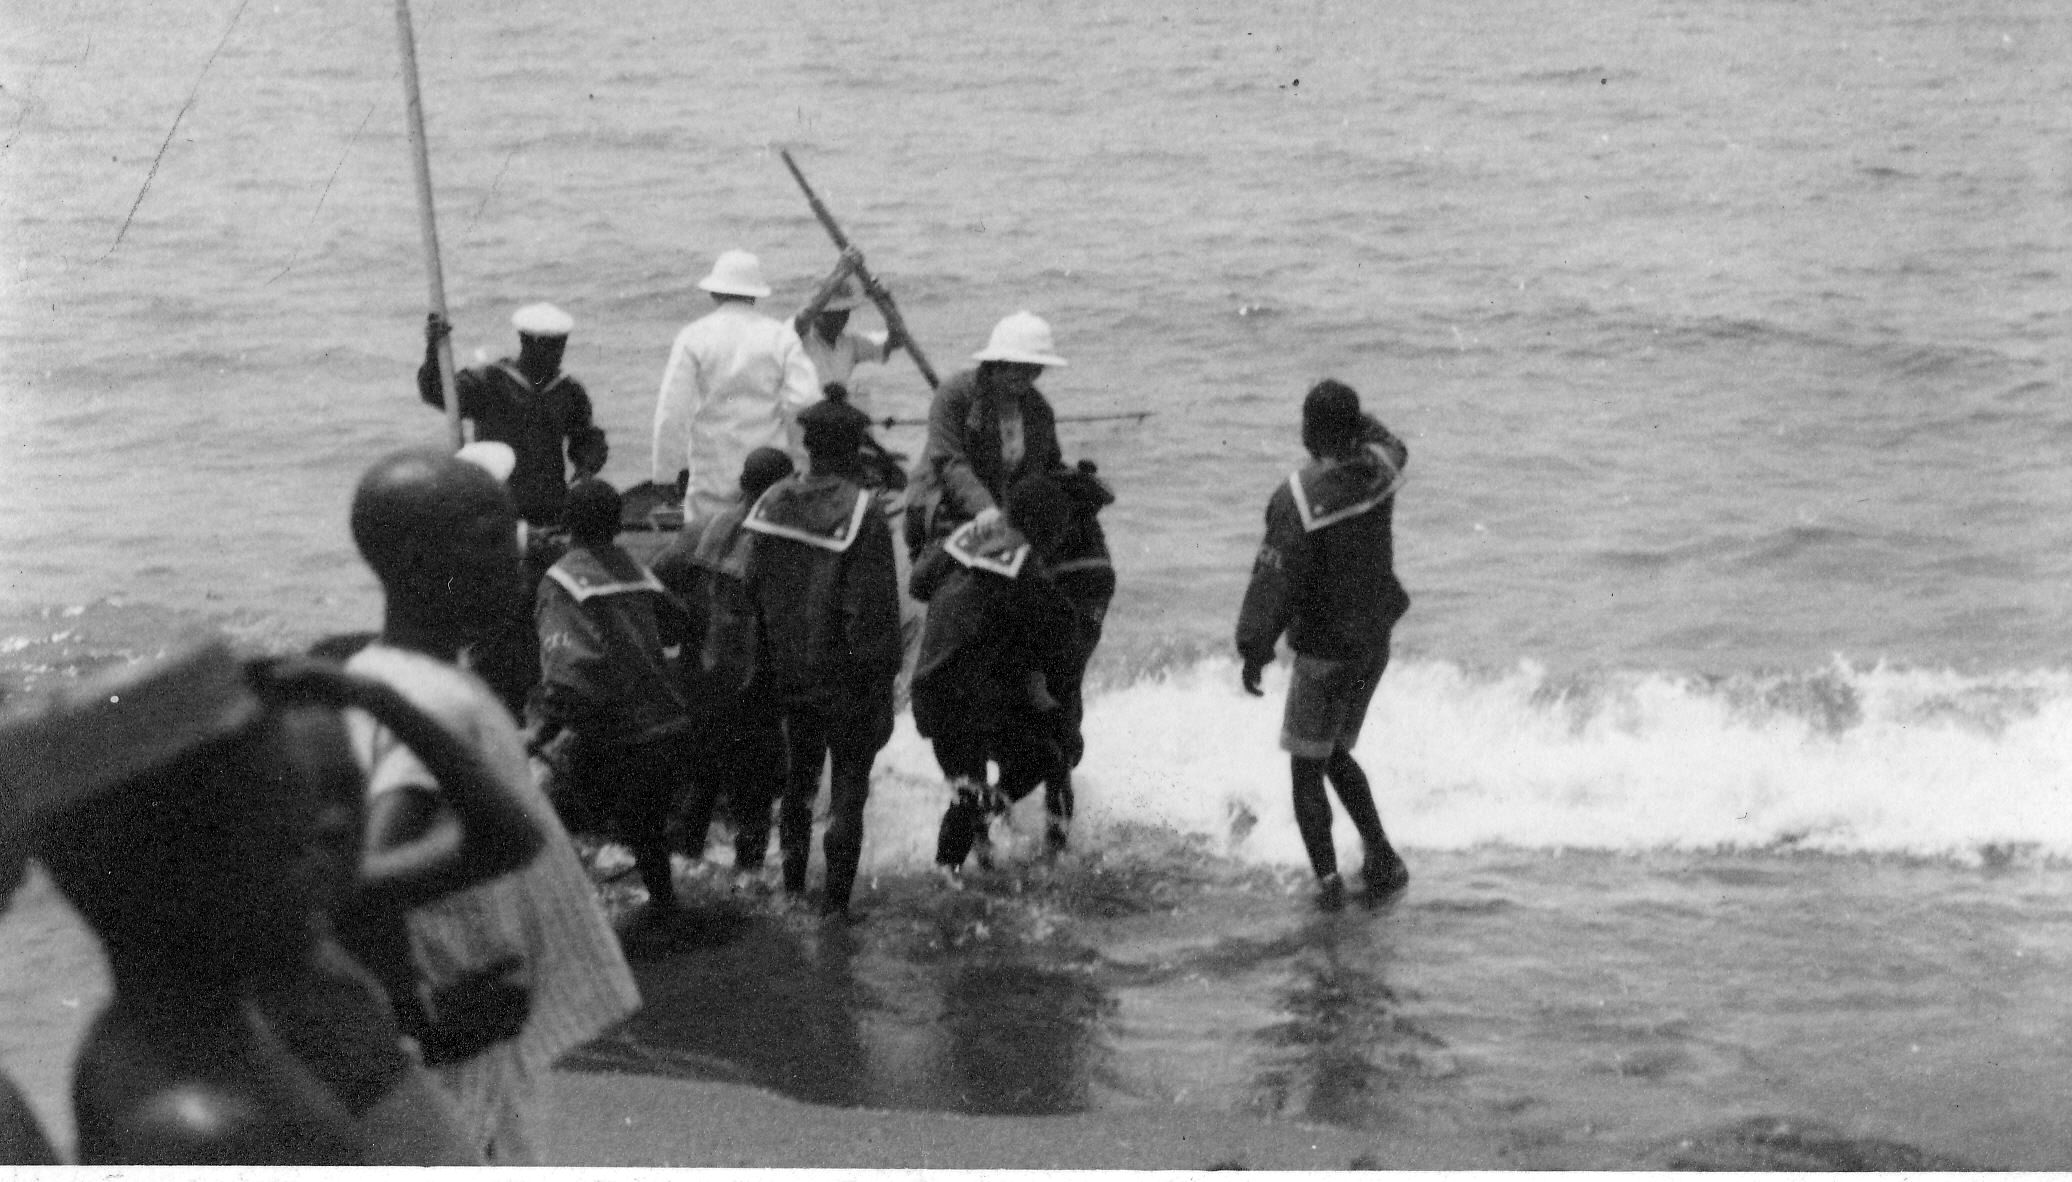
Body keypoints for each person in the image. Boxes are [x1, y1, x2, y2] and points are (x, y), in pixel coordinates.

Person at [13, 640, 519, 1165]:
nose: (321, 866)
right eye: (285, 846)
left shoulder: (131, 1051)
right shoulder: (222, 1130)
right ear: (183, 875)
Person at [343, 447, 640, 1162]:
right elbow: (372, 873)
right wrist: (424, 1018)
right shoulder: (436, 702)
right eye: (490, 542)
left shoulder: (386, 671)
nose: (514, 556)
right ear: (423, 564)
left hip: (463, 1004)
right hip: (466, 1017)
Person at [1234, 380, 1413, 911]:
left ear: (1308, 431)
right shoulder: (1380, 468)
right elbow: (1390, 440)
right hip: (1373, 640)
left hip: (1326, 649)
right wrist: (1354, 422)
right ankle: (1382, 856)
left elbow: (1273, 581)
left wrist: (1254, 649)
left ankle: (1328, 885)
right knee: (1334, 751)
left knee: (1306, 768)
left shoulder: (1296, 496)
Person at [742, 402, 904, 916]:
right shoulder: (863, 512)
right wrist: (880, 687)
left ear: (808, 447)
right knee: (849, 793)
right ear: (855, 450)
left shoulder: (771, 502)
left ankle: (791, 893)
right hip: (845, 679)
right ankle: (836, 909)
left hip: (788, 672)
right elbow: (871, 614)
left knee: (799, 784)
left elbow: (751, 590)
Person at [533, 478, 695, 921]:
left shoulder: (560, 581)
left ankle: (571, 915)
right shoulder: (637, 570)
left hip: (617, 730)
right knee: (646, 831)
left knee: (546, 808)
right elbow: (679, 624)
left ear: (566, 523)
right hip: (666, 723)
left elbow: (568, 672)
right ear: (619, 524)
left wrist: (542, 733)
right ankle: (664, 907)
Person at [910, 473, 1082, 878]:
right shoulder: (1029, 573)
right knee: (1047, 755)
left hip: (929, 690)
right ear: (1046, 531)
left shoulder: (967, 537)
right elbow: (1059, 637)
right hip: (968, 697)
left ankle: (959, 867)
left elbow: (918, 584)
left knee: (966, 789)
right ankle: (971, 841)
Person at [649, 447, 794, 881]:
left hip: (701, 685)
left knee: (698, 790)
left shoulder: (700, 531)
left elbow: (652, 585)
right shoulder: (781, 544)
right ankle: (747, 885)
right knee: (753, 807)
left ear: (742, 484)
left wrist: (678, 629)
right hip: (755, 690)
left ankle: (683, 879)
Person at [650, 249, 821, 525]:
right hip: (769, 478)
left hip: (711, 480)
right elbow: (806, 401)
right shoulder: (781, 336)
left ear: (714, 292)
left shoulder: (693, 336)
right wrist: (803, 464)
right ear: (755, 295)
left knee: (707, 543)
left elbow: (672, 410)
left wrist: (665, 473)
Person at [418, 303, 607, 529]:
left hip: (549, 506)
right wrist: (433, 348)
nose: (556, 354)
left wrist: (585, 471)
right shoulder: (488, 381)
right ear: (527, 343)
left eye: (560, 345)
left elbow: (586, 440)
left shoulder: (569, 391)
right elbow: (437, 393)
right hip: (497, 505)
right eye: (548, 346)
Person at [903, 311, 1066, 557]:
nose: (1027, 376)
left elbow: (1046, 467)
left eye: (1035, 369)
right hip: (943, 505)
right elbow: (949, 462)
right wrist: (984, 507)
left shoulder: (1039, 409)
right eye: (1019, 367)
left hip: (1004, 515)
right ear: (996, 363)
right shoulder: (954, 396)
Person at [1033, 460, 1118, 853]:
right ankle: (1057, 842)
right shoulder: (1086, 519)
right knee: (1066, 696)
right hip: (1096, 576)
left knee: (1056, 702)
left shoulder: (1046, 500)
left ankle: (1050, 841)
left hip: (1070, 579)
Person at [791, 247, 904, 418]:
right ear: (819, 314)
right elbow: (806, 315)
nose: (841, 319)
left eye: (844, 313)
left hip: (835, 420)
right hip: (803, 420)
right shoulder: (799, 339)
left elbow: (897, 340)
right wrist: (841, 273)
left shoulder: (850, 345)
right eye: (833, 314)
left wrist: (884, 299)